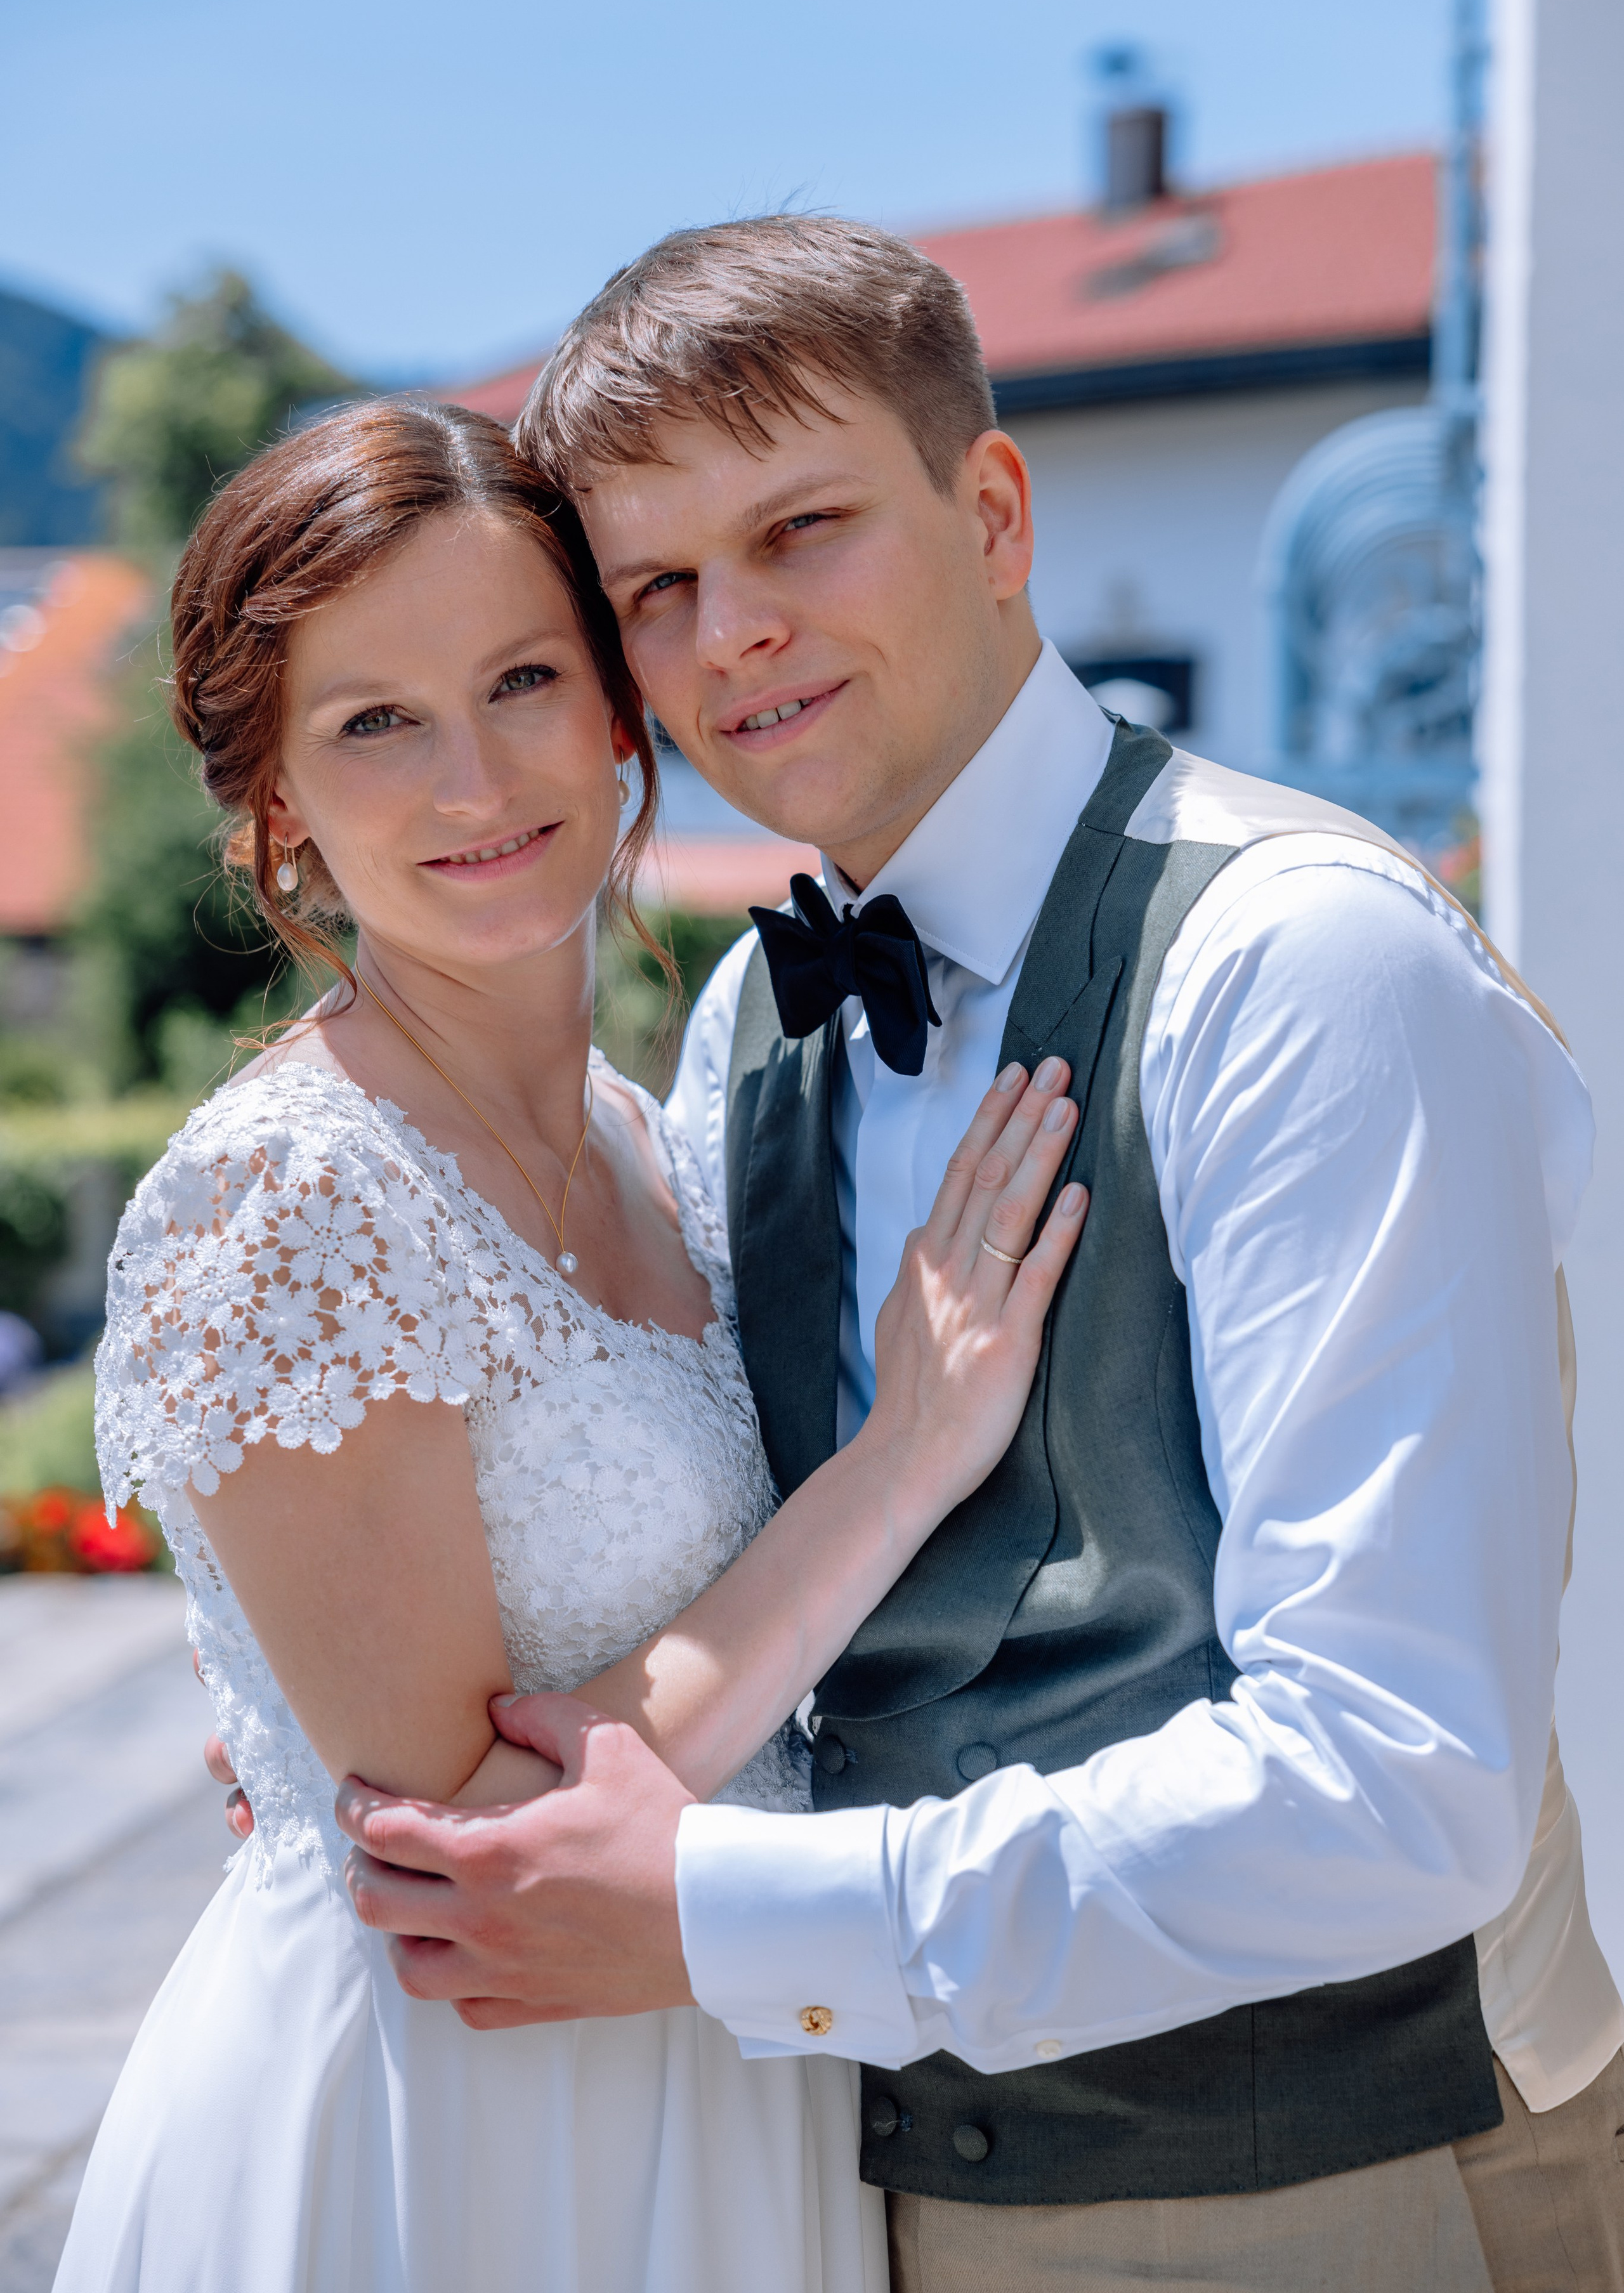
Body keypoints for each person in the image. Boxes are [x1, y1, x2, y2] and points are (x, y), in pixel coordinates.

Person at [325, 219, 1624, 2291]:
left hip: (1343, 2194)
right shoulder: (752, 1034)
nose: (733, 630)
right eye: (658, 588)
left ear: (993, 511)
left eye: (803, 530)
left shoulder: (1300, 964)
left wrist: (731, 1919)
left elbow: (1401, 1778)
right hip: (844, 2194)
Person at [53, 395, 1092, 2293]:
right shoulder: (287, 1199)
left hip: (736, 2062)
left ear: (621, 714)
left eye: (524, 678)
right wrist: (899, 1464)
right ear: (275, 804)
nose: (478, 778)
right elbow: (467, 1853)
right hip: (456, 2125)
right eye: (376, 722)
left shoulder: (669, 1138)